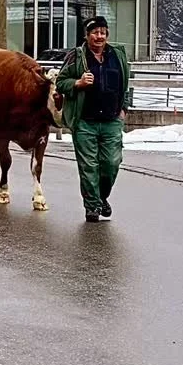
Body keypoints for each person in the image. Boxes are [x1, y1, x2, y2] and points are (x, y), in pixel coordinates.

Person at [56, 16, 129, 222]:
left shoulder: (117, 54)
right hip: (85, 121)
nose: (99, 36)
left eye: (103, 32)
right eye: (95, 32)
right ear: (87, 36)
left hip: (112, 120)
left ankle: (101, 197)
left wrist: (124, 109)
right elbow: (61, 82)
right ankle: (92, 206)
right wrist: (77, 83)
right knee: (88, 166)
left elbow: (125, 84)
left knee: (111, 163)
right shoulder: (76, 56)